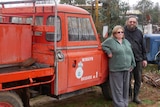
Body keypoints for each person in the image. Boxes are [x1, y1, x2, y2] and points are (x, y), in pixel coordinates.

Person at [102, 25, 136, 107]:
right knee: (118, 88)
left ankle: (125, 103)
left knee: (125, 88)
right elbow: (102, 45)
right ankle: (118, 104)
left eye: (122, 32)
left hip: (127, 68)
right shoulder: (110, 41)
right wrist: (108, 51)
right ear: (114, 33)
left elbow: (130, 53)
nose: (120, 33)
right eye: (118, 32)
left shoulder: (126, 42)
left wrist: (133, 63)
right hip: (116, 69)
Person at [124, 15, 148, 104]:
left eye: (134, 22)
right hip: (127, 60)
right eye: (130, 22)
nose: (132, 23)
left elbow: (143, 46)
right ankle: (129, 96)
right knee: (128, 79)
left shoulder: (139, 32)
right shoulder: (122, 32)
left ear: (136, 23)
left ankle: (136, 96)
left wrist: (145, 59)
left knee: (138, 79)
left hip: (138, 59)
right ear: (127, 22)